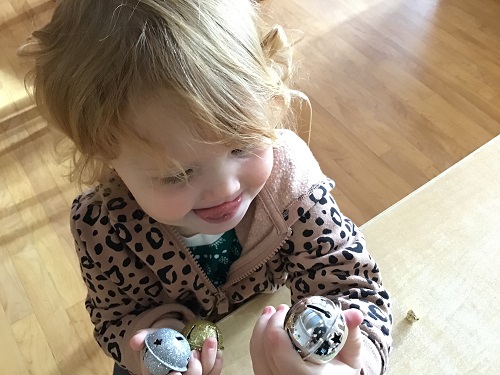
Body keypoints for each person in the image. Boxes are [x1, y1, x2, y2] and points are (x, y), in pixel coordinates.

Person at [20, 0, 392, 374]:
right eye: (176, 175)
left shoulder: (289, 180)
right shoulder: (102, 224)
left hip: (272, 329)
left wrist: (357, 360)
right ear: (101, 153)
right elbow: (115, 319)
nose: (224, 190)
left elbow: (349, 280)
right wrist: (155, 346)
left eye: (242, 145)